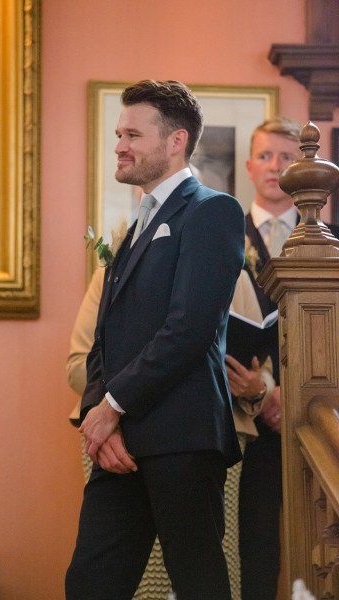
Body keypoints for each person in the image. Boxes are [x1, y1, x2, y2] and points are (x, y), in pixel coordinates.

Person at [65, 79, 245, 600]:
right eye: (119, 133)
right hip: (117, 442)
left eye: (133, 134)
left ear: (176, 141)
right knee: (90, 583)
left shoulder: (212, 211)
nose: (119, 145)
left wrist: (114, 405)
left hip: (183, 439)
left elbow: (189, 330)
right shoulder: (138, 224)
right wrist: (102, 413)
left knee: (198, 585)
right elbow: (106, 335)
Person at [66, 265, 275, 600]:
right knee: (123, 575)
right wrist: (128, 392)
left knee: (204, 569)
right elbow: (80, 363)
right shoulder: (119, 265)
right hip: (126, 439)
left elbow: (262, 369)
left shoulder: (231, 271)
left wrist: (255, 387)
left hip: (211, 437)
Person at [238, 116, 302, 600]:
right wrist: (265, 392)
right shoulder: (223, 238)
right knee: (253, 541)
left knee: (317, 540)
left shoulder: (330, 239)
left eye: (287, 156)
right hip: (247, 416)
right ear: (249, 166)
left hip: (319, 412)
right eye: (266, 155)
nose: (276, 166)